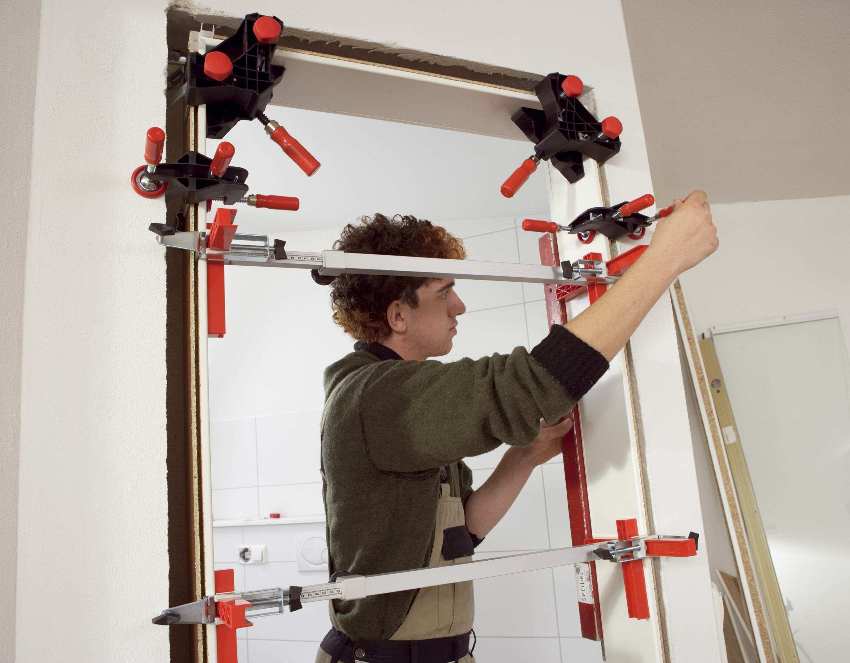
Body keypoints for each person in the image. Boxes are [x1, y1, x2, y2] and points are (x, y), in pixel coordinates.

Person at [315, 191, 718, 663]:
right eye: (444, 293)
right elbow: (527, 385)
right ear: (398, 316)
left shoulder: (396, 397)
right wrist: (664, 259)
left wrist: (525, 456)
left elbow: (462, 533)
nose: (459, 306)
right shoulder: (378, 397)